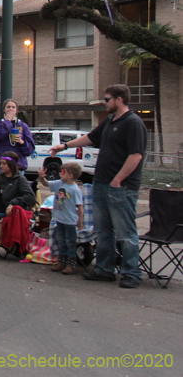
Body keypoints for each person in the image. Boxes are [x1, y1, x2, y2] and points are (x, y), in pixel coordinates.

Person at [49, 84, 146, 289]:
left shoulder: (133, 123)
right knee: (103, 230)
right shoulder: (110, 120)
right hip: (101, 183)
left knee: (126, 232)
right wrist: (64, 146)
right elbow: (91, 137)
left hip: (121, 187)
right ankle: (104, 269)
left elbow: (136, 155)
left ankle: (131, 273)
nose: (104, 102)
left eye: (107, 99)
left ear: (119, 99)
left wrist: (118, 179)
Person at [38, 161, 83, 274]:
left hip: (70, 221)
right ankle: (61, 262)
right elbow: (47, 184)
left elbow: (80, 207)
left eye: (63, 172)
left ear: (70, 175)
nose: (60, 174)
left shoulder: (75, 190)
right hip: (59, 219)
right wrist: (42, 178)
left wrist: (80, 222)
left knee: (70, 242)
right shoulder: (59, 183)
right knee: (61, 241)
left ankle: (71, 264)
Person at [0, 99, 34, 176]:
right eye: (8, 107)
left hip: (17, 165)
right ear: (4, 110)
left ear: (16, 110)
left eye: (13, 107)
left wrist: (22, 142)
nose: (11, 109)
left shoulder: (23, 126)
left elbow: (30, 149)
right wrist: (7, 121)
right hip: (0, 165)